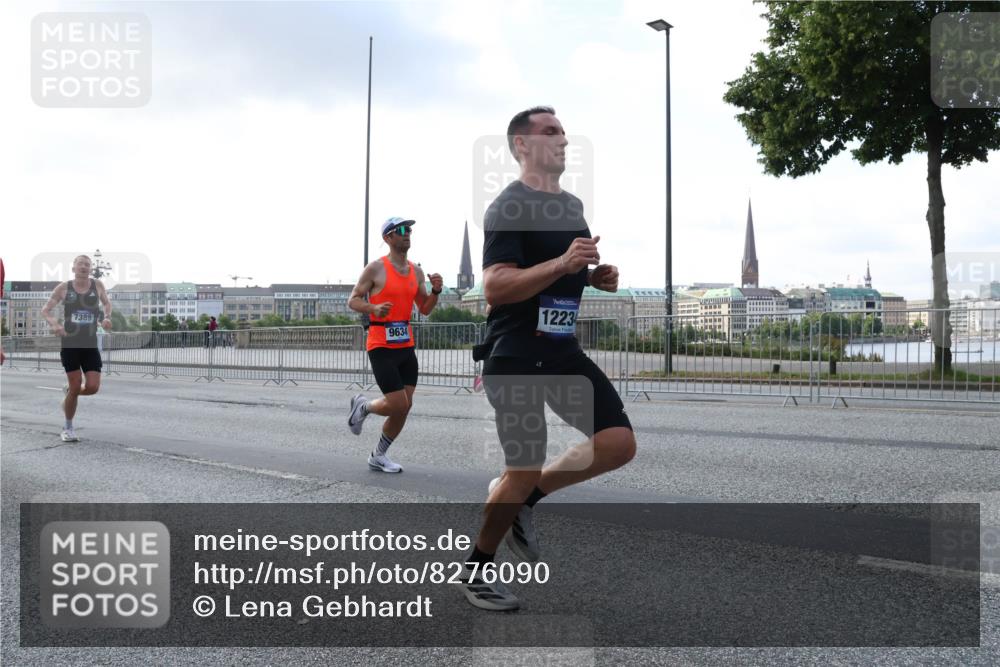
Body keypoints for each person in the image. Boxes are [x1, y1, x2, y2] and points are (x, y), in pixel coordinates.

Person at [458, 107, 636, 611]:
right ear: (521, 146)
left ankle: (525, 501)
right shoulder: (508, 206)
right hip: (515, 354)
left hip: (562, 350)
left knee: (618, 444)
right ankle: (476, 571)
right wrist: (562, 262)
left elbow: (562, 275)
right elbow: (495, 284)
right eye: (550, 132)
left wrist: (590, 277)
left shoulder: (573, 206)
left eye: (563, 131)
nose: (563, 139)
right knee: (523, 464)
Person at [346, 216, 443, 472]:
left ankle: (378, 455)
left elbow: (425, 309)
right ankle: (364, 407)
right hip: (380, 345)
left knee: (405, 407)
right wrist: (373, 307)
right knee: (398, 403)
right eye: (400, 230)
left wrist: (435, 292)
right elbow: (353, 300)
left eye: (409, 229)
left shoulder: (416, 271)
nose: (406, 233)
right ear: (387, 238)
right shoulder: (375, 268)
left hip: (405, 346)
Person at [40, 255, 113, 442]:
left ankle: (70, 391)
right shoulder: (64, 288)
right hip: (70, 343)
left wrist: (107, 317)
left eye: (87, 264)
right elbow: (45, 310)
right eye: (80, 264)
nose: (84, 267)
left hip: (90, 343)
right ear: (73, 268)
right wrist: (55, 324)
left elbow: (106, 303)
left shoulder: (97, 285)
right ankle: (68, 428)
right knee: (75, 384)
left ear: (90, 269)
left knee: (92, 387)